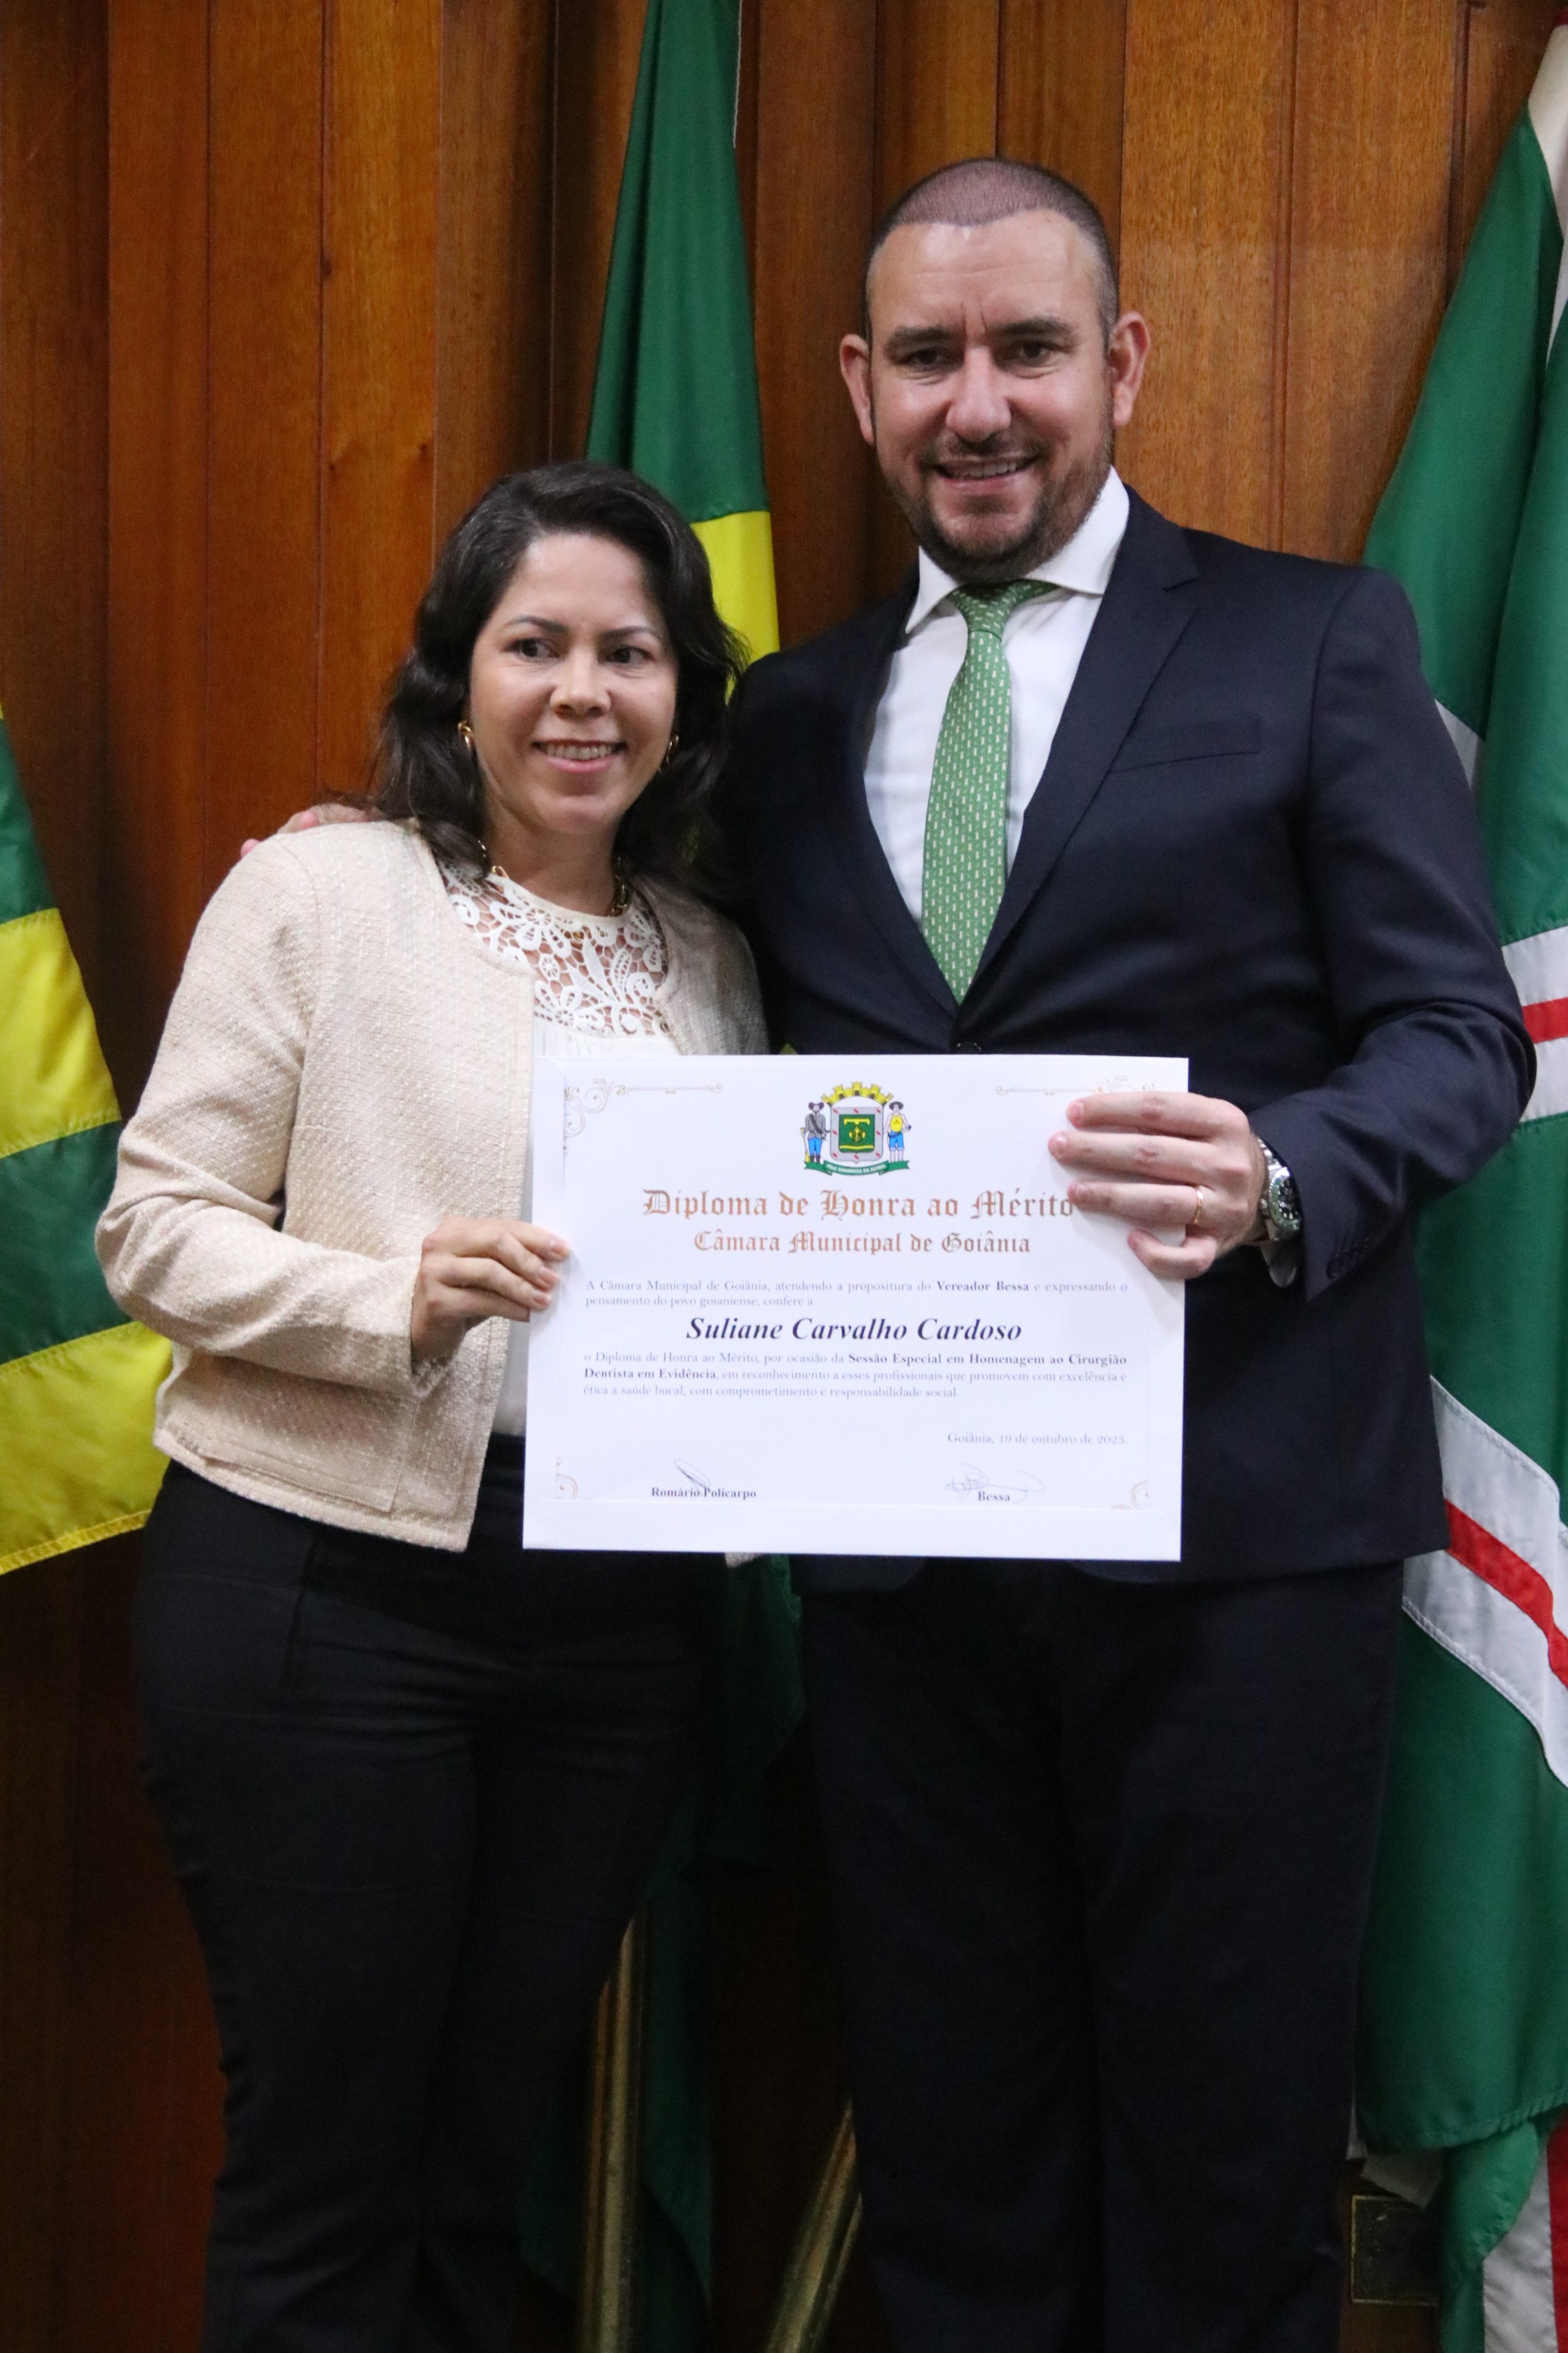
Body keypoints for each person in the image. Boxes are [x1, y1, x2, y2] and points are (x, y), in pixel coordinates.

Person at [716, 160, 1533, 2351]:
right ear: (860, 387)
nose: (978, 404)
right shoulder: (782, 719)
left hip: (1239, 1553)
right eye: (929, 358)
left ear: (1124, 364)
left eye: (1030, 349)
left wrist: (1280, 1169)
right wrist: (399, 846)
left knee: (1225, 2178)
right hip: (904, 1576)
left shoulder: (1313, 639)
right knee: (956, 2172)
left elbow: (1461, 1039)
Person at [96, 462, 764, 2353]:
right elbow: (153, 1229)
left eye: (631, 653)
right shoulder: (320, 892)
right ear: (458, 678)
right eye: (535, 645)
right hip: (328, 1593)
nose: (583, 693)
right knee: (331, 2173)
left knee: (483, 2167)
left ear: (683, 694)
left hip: (615, 1625)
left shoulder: (716, 958)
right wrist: (387, 1297)